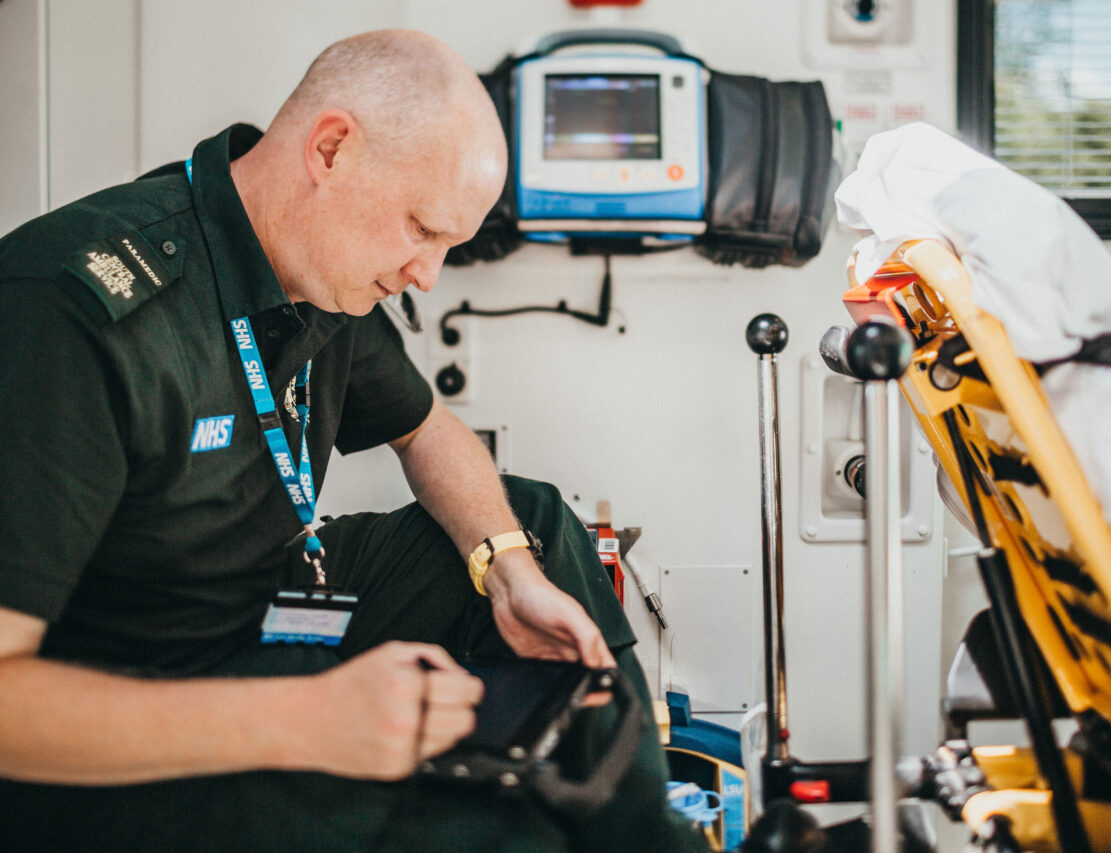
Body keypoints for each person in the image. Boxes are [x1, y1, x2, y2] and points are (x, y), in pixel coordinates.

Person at [0, 29, 707, 853]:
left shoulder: (318, 271)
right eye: (420, 228)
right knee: (496, 835)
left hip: (266, 611)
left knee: (534, 520)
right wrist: (301, 721)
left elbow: (427, 429)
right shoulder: (68, 312)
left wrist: (507, 567)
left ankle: (644, 835)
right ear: (330, 149)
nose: (426, 275)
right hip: (115, 727)